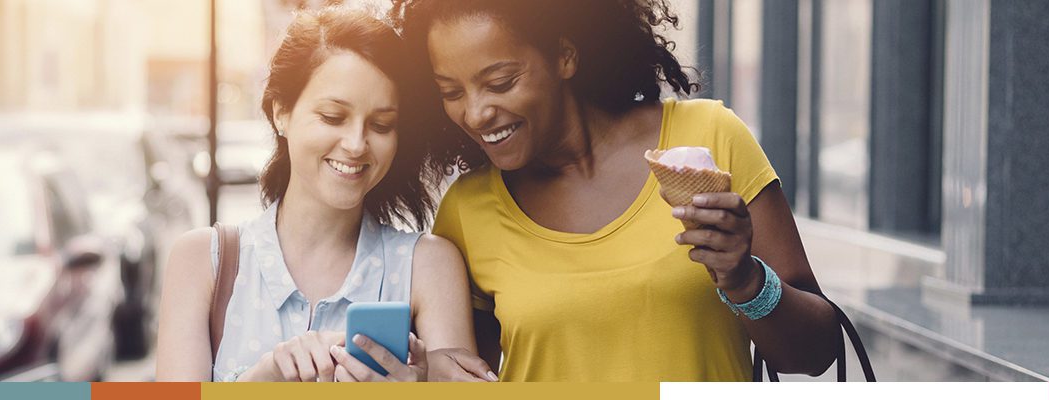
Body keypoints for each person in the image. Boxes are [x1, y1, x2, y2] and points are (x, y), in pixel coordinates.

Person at [391, 0, 841, 381]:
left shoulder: (709, 138)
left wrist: (745, 280)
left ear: (564, 56)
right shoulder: (467, 211)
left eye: (500, 82)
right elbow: (470, 381)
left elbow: (817, 353)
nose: (475, 113)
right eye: (451, 91)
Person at [156, 6, 490, 382]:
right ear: (281, 111)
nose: (356, 144)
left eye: (381, 125)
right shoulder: (203, 262)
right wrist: (267, 376)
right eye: (333, 117)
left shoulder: (429, 266)